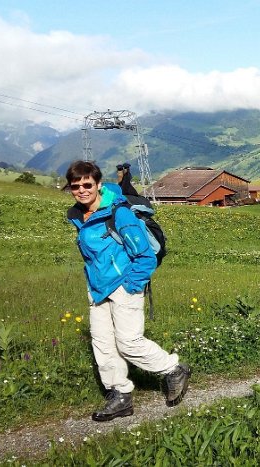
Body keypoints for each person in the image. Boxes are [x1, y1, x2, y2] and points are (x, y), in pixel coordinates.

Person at [64, 160, 191, 422]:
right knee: (103, 345)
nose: (82, 190)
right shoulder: (80, 215)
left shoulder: (119, 213)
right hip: (98, 289)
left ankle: (173, 369)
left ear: (98, 184)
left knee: (129, 342)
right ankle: (120, 395)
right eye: (76, 186)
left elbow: (145, 256)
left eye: (87, 184)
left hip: (124, 287)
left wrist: (130, 286)